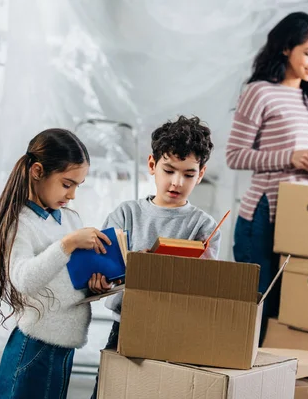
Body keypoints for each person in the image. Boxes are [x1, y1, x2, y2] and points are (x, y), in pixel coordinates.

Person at [0, 129, 112, 399]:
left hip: (64, 345)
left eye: (77, 186)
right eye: (66, 183)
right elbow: (23, 279)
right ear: (38, 171)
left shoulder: (70, 219)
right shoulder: (20, 224)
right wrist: (67, 244)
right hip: (35, 346)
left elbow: (66, 283)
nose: (71, 195)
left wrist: (95, 287)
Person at [90, 115, 221, 398]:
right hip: (125, 328)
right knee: (108, 392)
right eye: (169, 170)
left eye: (188, 174)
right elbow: (104, 281)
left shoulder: (204, 227)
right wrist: (103, 282)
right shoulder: (125, 214)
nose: (176, 182)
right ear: (152, 165)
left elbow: (205, 291)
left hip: (175, 332)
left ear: (201, 174)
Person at [226, 11, 308, 340]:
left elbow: (297, 160)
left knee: (282, 309)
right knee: (256, 307)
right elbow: (235, 155)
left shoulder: (307, 98)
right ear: (286, 48)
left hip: (298, 215)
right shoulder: (259, 92)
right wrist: (291, 157)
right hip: (263, 214)